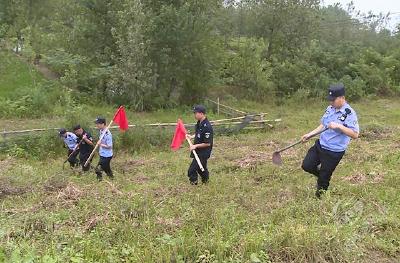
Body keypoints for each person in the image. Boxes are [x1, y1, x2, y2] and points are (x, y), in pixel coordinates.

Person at [301, 84, 360, 198]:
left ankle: (320, 199)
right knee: (307, 165)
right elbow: (323, 125)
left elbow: (355, 135)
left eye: (333, 100)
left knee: (323, 181)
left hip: (334, 151)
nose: (331, 103)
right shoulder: (330, 109)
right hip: (321, 145)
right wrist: (310, 134)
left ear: (342, 98)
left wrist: (340, 126)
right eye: (330, 100)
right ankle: (323, 175)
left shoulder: (349, 113)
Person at [186, 105, 214, 185]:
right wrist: (191, 136)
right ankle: (206, 182)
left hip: (203, 152)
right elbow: (199, 134)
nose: (194, 115)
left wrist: (195, 146)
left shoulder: (207, 127)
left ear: (201, 114)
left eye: (196, 113)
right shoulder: (199, 123)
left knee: (192, 170)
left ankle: (193, 186)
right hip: (198, 151)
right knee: (202, 168)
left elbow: (207, 143)